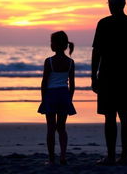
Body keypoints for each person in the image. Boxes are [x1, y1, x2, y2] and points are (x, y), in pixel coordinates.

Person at [91, 0, 127, 165]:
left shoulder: (104, 23)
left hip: (108, 76)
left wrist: (93, 75)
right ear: (124, 4)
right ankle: (124, 156)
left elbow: (96, 52)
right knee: (124, 116)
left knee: (110, 117)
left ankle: (111, 155)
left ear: (110, 4)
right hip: (125, 76)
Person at [38, 31, 76, 165]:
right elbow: (72, 85)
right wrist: (69, 99)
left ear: (54, 45)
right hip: (64, 95)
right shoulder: (70, 62)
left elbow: (44, 82)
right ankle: (63, 157)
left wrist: (43, 99)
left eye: (51, 42)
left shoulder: (49, 61)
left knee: (50, 128)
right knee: (61, 127)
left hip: (51, 95)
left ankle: (51, 159)